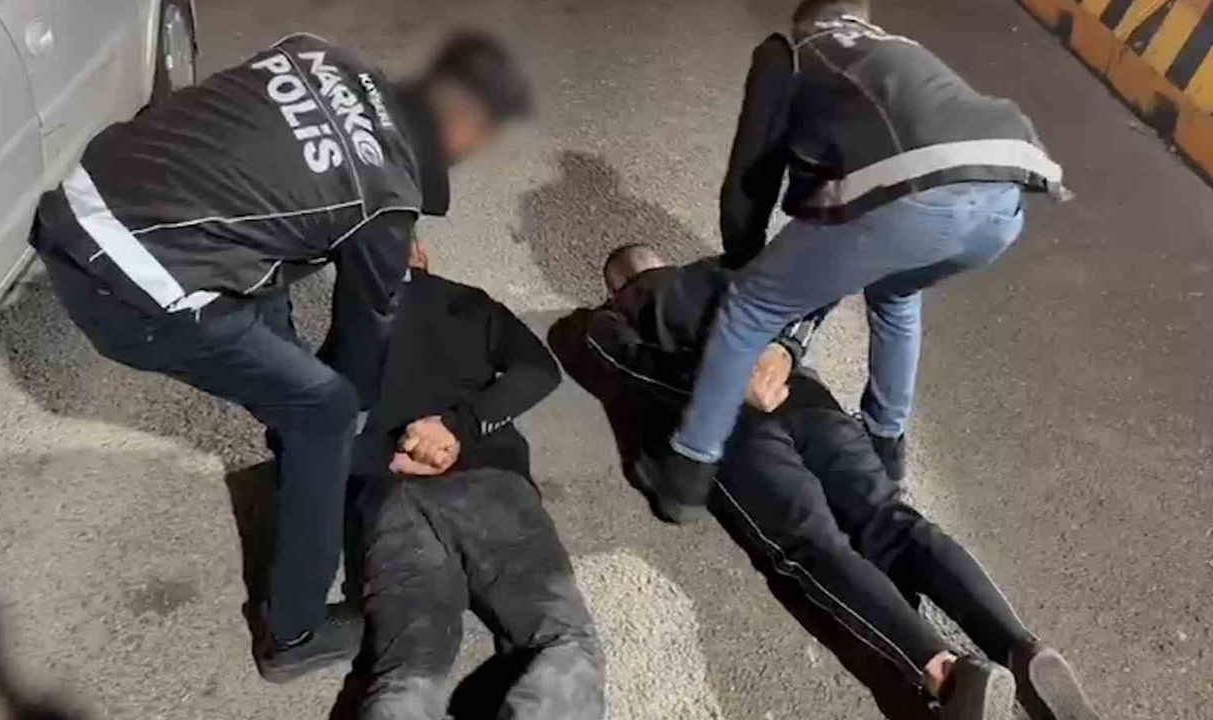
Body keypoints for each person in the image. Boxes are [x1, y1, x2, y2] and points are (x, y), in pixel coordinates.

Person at [29, 31, 532, 681]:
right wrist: (360, 430)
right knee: (326, 410)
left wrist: (384, 234)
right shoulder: (382, 201)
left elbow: (287, 168)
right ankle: (294, 633)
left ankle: (297, 450)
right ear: (467, 131)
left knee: (277, 266)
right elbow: (364, 338)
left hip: (86, 195)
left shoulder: (322, 53)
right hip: (126, 286)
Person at [549, 244, 1100, 720]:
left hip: (731, 428)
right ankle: (1020, 648)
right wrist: (777, 355)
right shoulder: (729, 269)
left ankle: (949, 677)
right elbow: (803, 296)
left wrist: (722, 377)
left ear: (615, 287)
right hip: (808, 401)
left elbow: (627, 365)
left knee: (814, 546)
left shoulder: (608, 318)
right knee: (892, 520)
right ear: (665, 259)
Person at [655, 0, 1066, 517]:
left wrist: (747, 266)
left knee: (749, 305)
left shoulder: (792, 54)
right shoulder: (893, 52)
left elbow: (750, 180)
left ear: (804, 17)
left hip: (920, 194)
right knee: (896, 292)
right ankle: (885, 444)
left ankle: (686, 472)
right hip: (1006, 197)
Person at [328, 248, 605, 720]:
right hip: (487, 481)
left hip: (387, 500)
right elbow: (539, 371)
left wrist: (387, 457)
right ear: (421, 254)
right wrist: (459, 426)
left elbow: (298, 434)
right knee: (562, 641)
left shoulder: (341, 328)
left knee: (406, 670)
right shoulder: (467, 303)